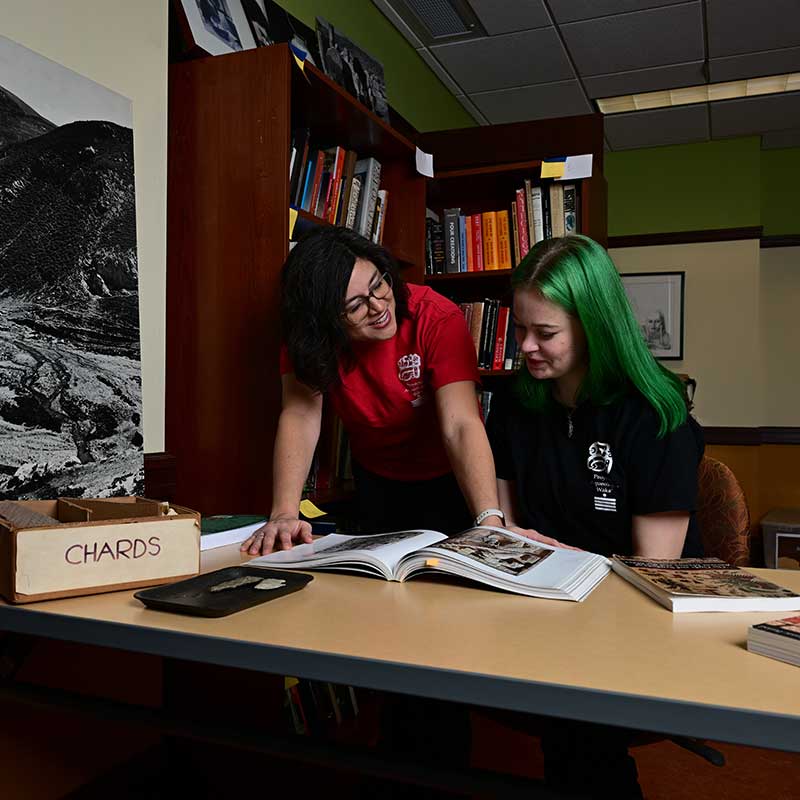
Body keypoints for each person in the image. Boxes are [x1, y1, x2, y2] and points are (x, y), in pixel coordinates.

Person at [486, 234, 704, 799]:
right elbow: (503, 527)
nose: (526, 347)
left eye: (546, 333)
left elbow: (652, 571)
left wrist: (549, 557)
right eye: (519, 329)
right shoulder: (516, 402)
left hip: (631, 619)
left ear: (594, 326)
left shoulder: (657, 413)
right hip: (539, 609)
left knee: (580, 734)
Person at [241, 225, 504, 556]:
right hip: (376, 479)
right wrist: (284, 512)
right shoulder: (310, 342)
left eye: (379, 284)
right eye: (355, 306)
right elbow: (300, 415)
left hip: (452, 477)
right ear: (324, 320)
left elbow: (461, 424)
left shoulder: (436, 316)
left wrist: (489, 519)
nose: (379, 306)